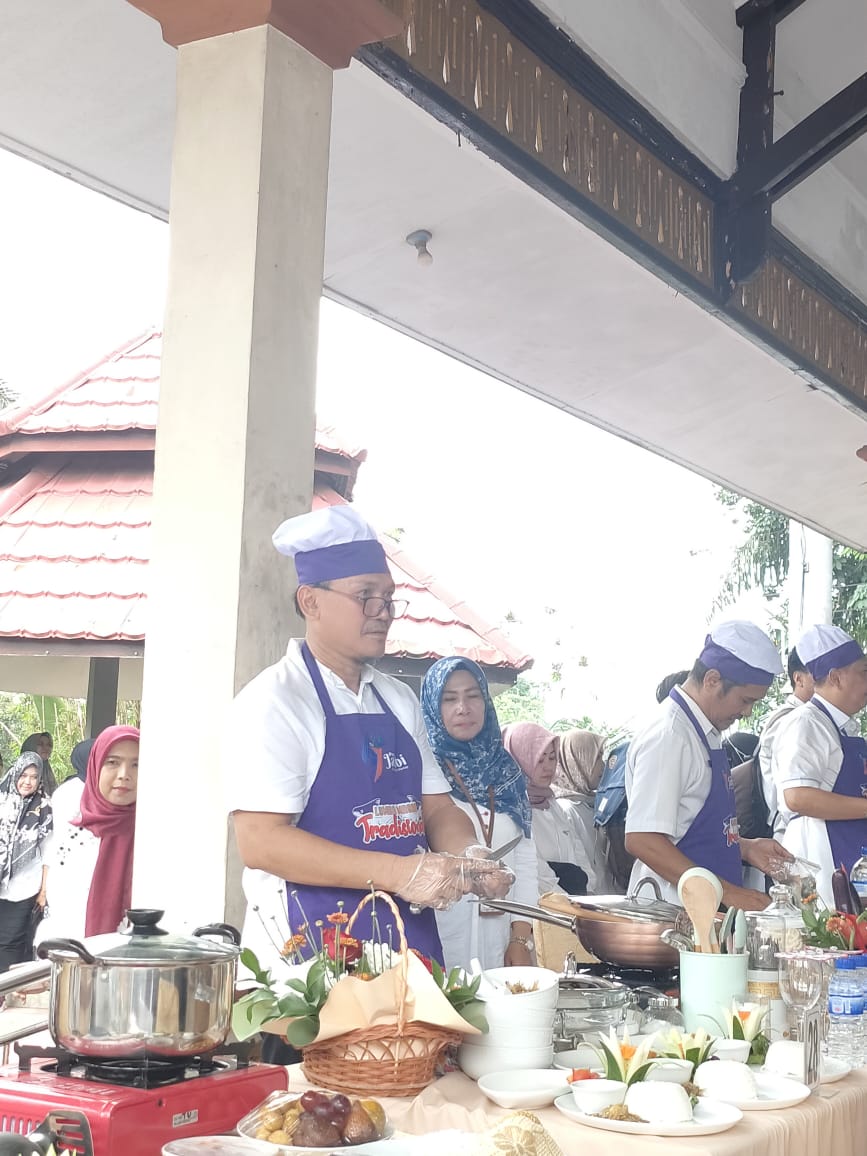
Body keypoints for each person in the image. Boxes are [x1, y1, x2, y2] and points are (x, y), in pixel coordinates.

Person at [227, 507, 511, 1060]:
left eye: (388, 599)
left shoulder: (397, 699)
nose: (383, 613)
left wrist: (469, 854)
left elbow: (437, 809)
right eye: (366, 597)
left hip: (406, 949)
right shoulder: (274, 702)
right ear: (311, 601)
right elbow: (260, 842)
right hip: (311, 965)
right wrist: (401, 873)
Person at [625, 621, 789, 910]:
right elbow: (643, 838)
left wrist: (746, 847)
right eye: (745, 700)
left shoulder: (704, 731)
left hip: (706, 909)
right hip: (673, 911)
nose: (747, 712)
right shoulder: (670, 735)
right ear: (712, 680)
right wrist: (729, 893)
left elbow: (689, 826)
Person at [421, 658, 542, 971]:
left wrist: (520, 939)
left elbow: (524, 862)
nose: (463, 708)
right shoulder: (421, 773)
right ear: (432, 707)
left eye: (473, 695)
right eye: (449, 699)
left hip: (499, 940)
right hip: (438, 938)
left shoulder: (507, 773)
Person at [772, 625, 867, 908]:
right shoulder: (806, 723)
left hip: (850, 852)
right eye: (863, 672)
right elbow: (798, 796)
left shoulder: (843, 728)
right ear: (836, 677)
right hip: (820, 856)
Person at [35, 726, 139, 942]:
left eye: (137, 764)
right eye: (112, 762)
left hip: (142, 956)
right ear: (95, 765)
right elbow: (62, 906)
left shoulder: (158, 832)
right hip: (74, 951)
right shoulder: (76, 832)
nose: (124, 775)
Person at [502, 722, 591, 894]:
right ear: (518, 760)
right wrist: (564, 900)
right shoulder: (511, 810)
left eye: (552, 757)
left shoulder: (551, 803)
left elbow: (578, 851)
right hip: (537, 903)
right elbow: (532, 867)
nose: (548, 766)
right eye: (539, 759)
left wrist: (589, 893)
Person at [0, 754, 52, 971]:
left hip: (24, 887)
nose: (28, 782)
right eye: (23, 775)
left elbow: (48, 852)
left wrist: (44, 890)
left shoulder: (45, 807)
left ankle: (5, 987)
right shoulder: (2, 799)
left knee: (10, 943)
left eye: (34, 776)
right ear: (15, 774)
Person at [757, 648, 814, 838]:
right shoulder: (792, 721)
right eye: (820, 672)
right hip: (791, 833)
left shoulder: (813, 720)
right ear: (799, 679)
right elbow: (793, 799)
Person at [551, 728, 613, 892]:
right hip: (588, 899)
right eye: (597, 757)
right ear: (577, 761)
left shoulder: (591, 804)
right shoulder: (565, 809)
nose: (603, 765)